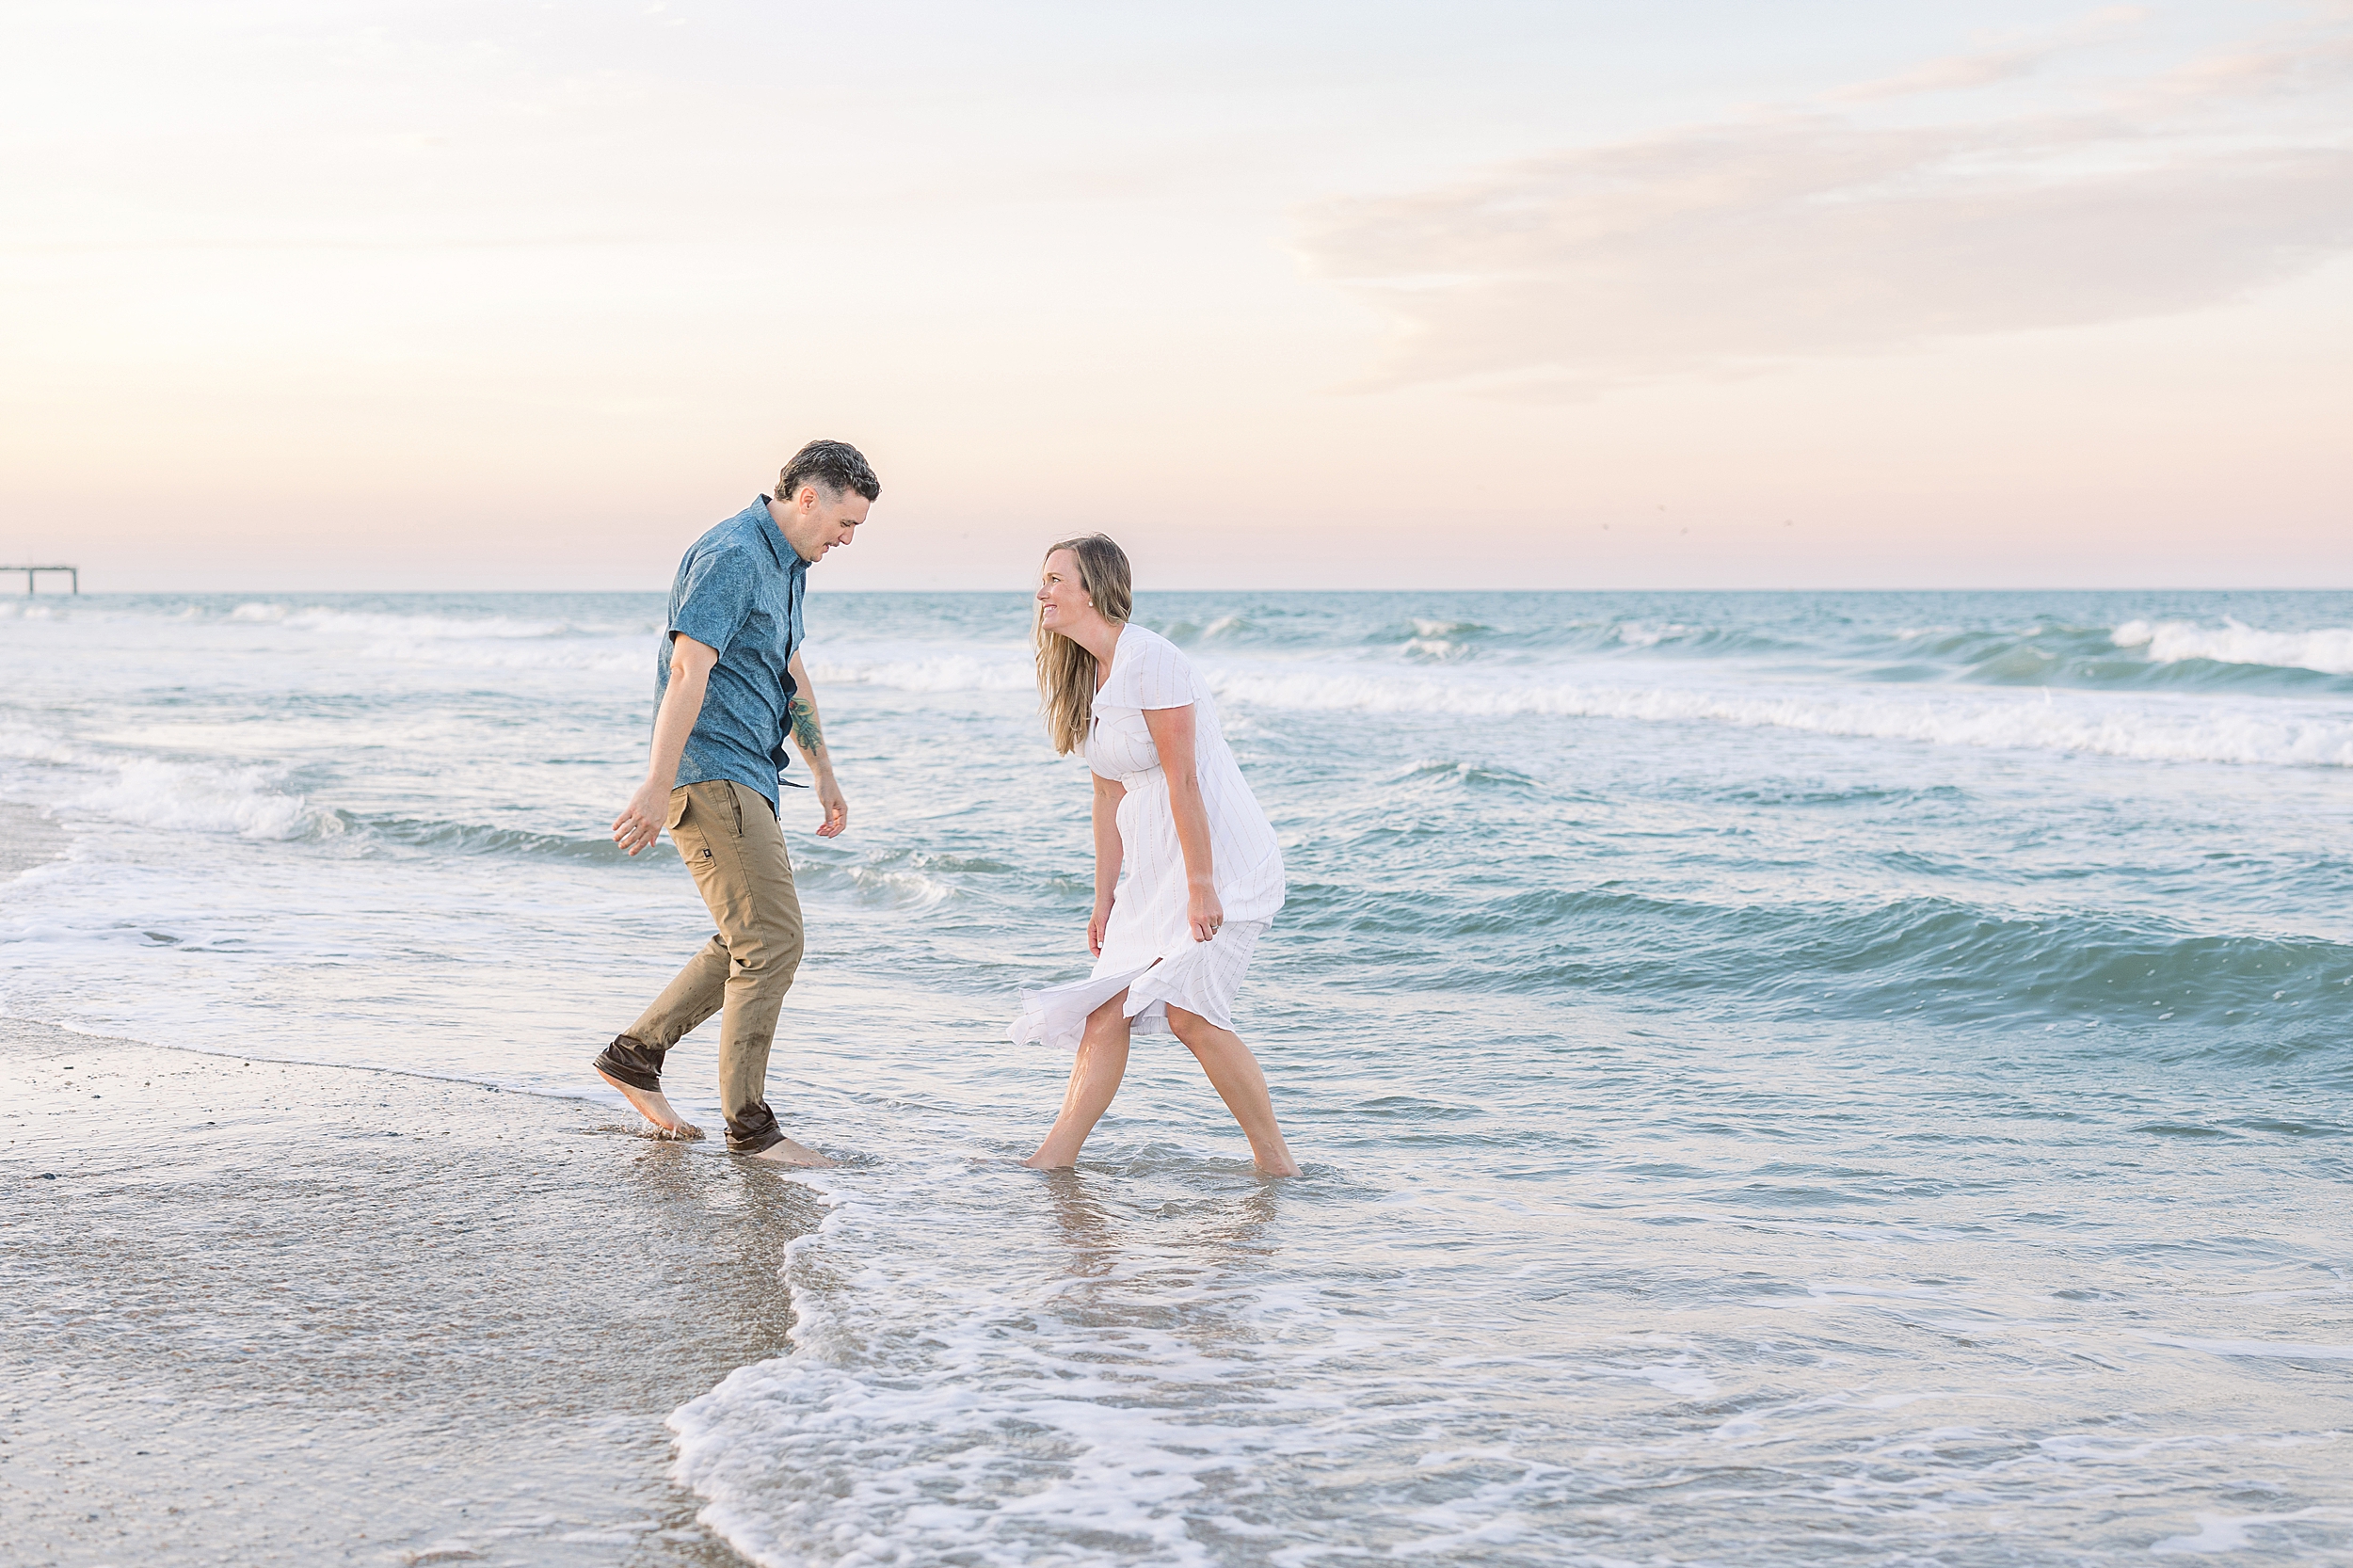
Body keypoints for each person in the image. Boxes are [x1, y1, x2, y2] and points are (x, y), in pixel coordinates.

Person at [597, 440, 879, 1167]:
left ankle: (635, 1056)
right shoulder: (734, 556)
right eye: (845, 522)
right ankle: (750, 1130)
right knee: (772, 941)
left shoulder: (787, 567)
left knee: (749, 935)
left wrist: (823, 770)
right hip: (711, 770)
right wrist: (659, 784)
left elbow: (788, 669)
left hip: (751, 772)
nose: (847, 540)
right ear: (808, 497)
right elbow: (690, 665)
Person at [1010, 535, 1302, 1176]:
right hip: (1154, 869)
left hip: (1221, 860)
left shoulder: (1152, 660)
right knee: (1104, 1015)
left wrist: (1203, 886)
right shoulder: (1087, 670)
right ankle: (1053, 1159)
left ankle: (1277, 1165)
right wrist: (1104, 896)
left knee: (1193, 1017)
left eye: (1056, 580)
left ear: (1092, 589)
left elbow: (1186, 780)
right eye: (1044, 579)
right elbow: (1107, 792)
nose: (1042, 593)